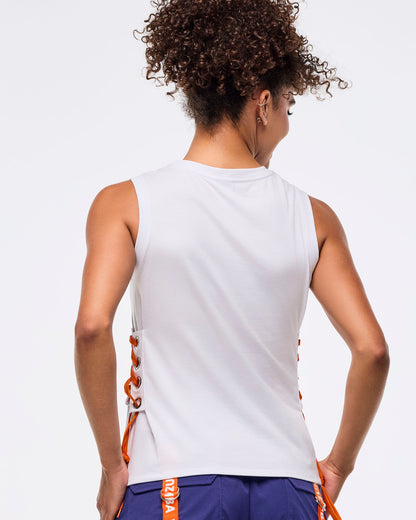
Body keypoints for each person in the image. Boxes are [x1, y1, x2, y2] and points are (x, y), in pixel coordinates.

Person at [74, 1, 390, 519]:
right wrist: (337, 466)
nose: (285, 125)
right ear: (262, 104)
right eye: (288, 107)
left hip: (173, 481)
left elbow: (91, 328)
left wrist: (112, 466)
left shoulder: (126, 203)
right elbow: (372, 350)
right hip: (289, 483)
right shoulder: (313, 218)